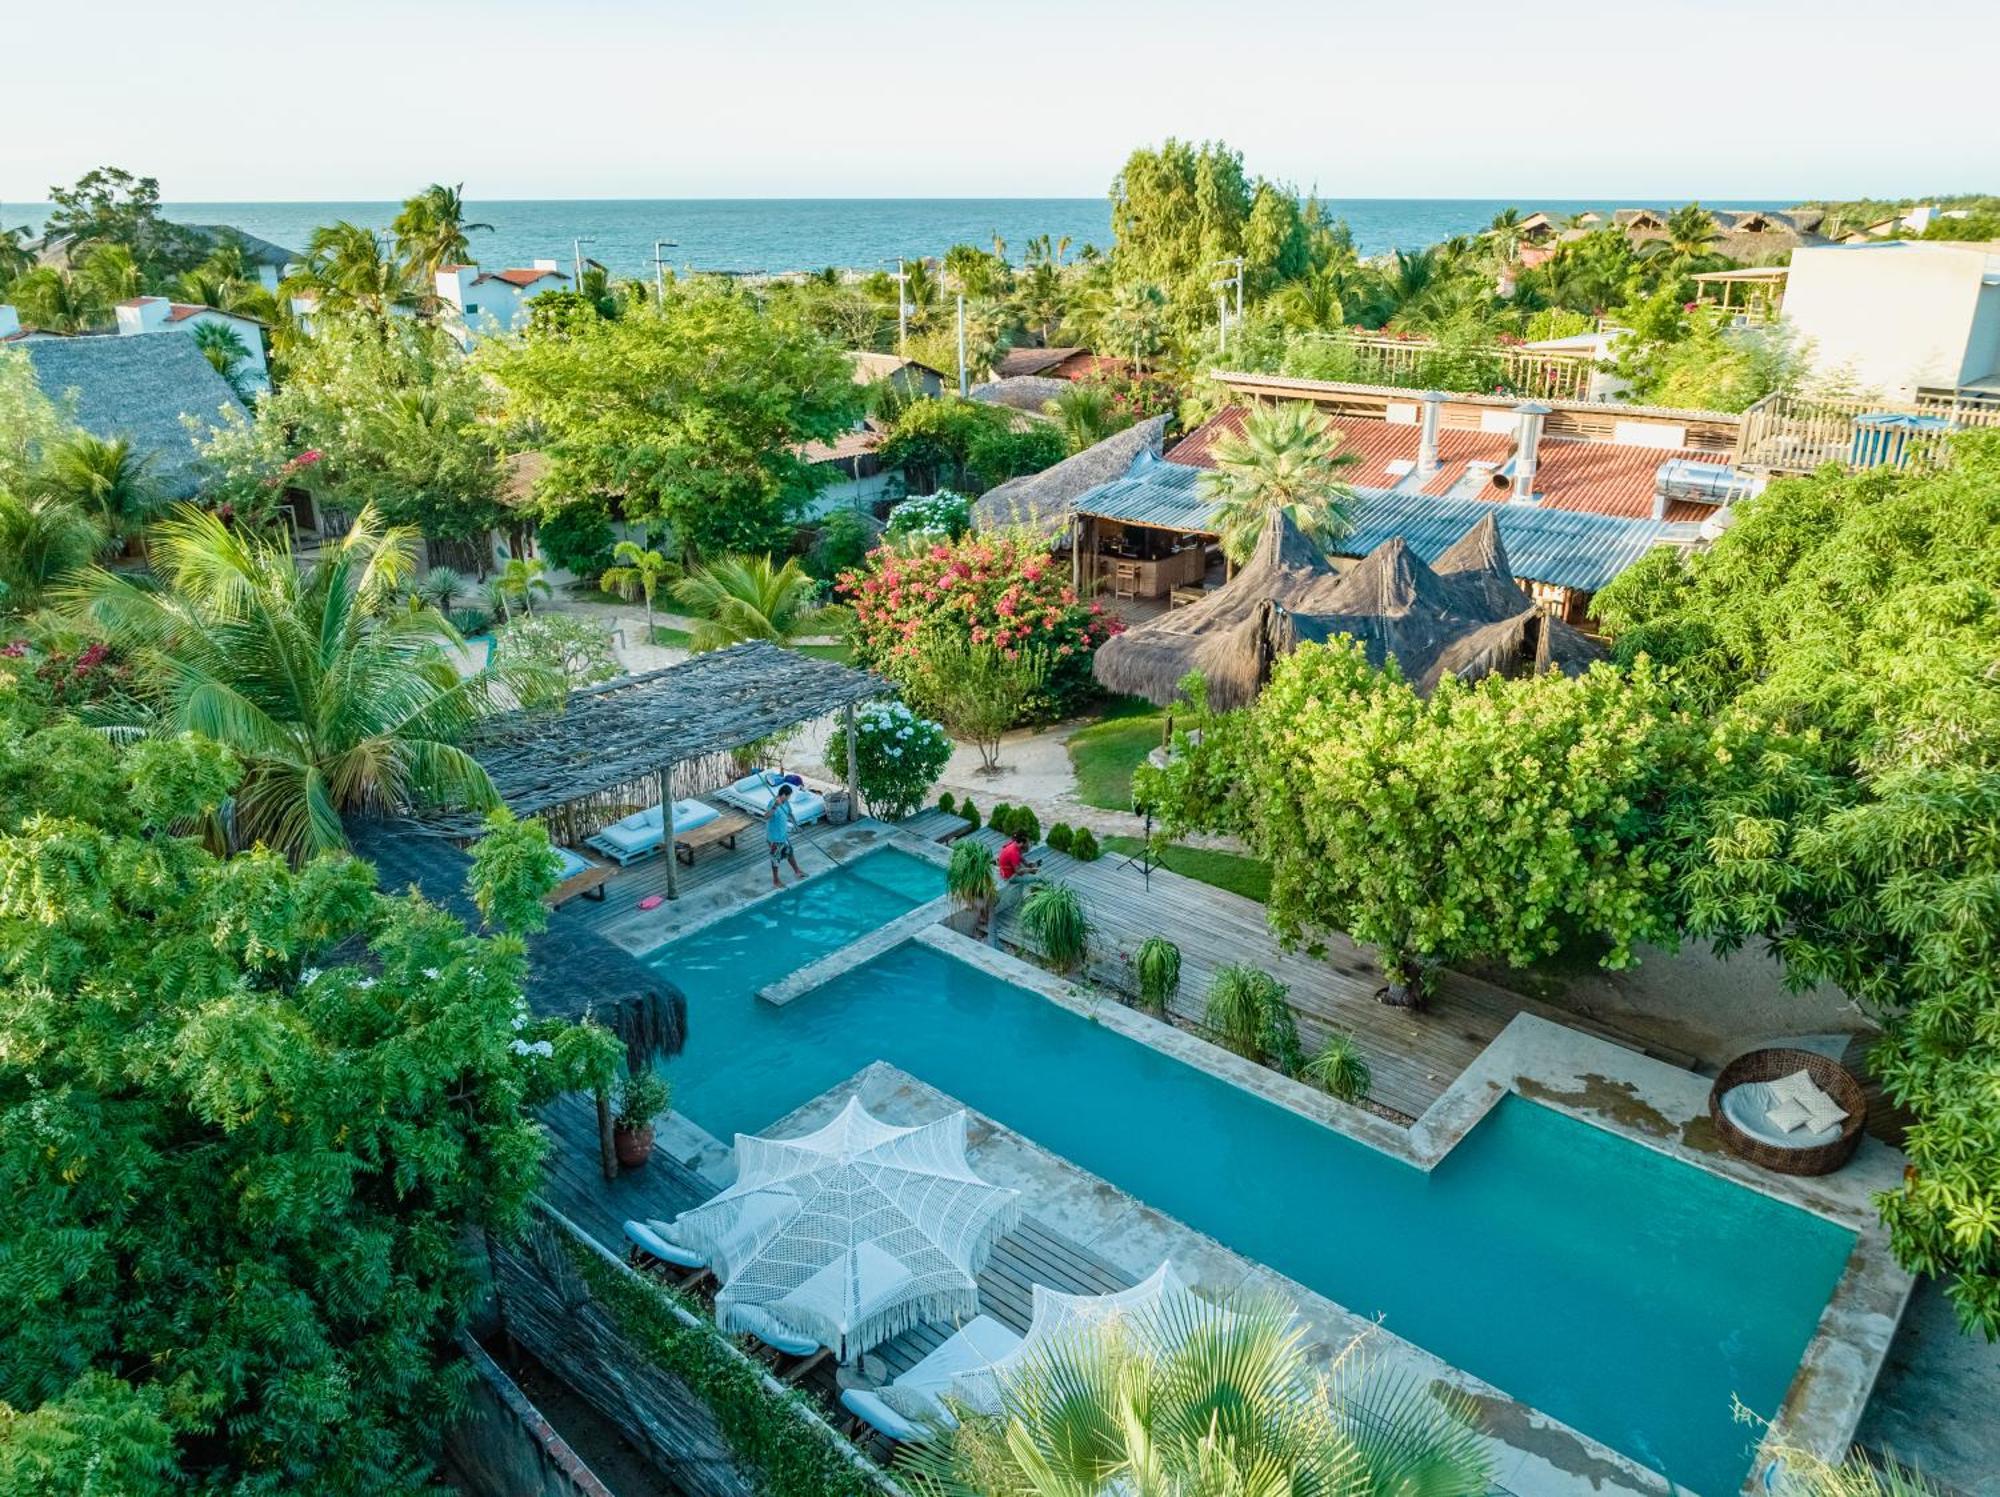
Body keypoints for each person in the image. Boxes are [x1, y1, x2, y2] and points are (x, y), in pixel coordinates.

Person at [987, 832, 1039, 945]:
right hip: (1009, 876)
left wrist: (1027, 863)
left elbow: (1019, 857)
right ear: (1021, 843)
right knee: (1037, 879)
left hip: (1006, 870)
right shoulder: (1013, 852)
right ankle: (1035, 898)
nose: (1029, 844)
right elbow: (1018, 872)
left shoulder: (1013, 844)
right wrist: (1030, 870)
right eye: (1028, 842)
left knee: (1030, 875)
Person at [766, 782, 804, 888]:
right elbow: (766, 816)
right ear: (783, 795)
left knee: (789, 852)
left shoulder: (786, 803)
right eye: (788, 795)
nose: (789, 797)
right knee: (775, 860)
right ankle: (776, 881)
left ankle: (797, 871)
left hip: (783, 836)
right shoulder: (772, 803)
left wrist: (796, 825)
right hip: (774, 838)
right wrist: (775, 806)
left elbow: (790, 813)